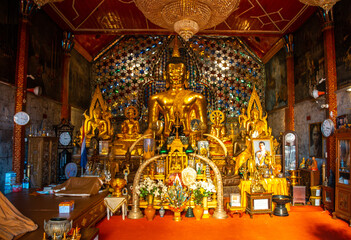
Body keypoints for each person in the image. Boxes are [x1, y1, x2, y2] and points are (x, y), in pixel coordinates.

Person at [144, 42, 207, 136]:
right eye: (172, 71)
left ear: (187, 75)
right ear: (165, 75)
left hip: (191, 140)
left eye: (179, 71)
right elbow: (151, 128)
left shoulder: (196, 98)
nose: (175, 74)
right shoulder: (156, 98)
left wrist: (194, 136)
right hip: (164, 141)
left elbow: (203, 128)